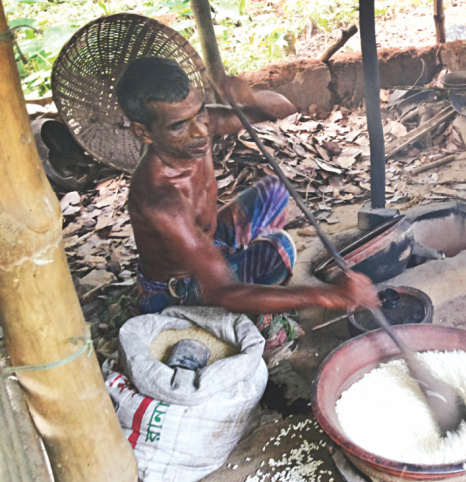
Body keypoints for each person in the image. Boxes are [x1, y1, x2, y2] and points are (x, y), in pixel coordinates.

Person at [115, 57, 378, 344]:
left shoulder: (195, 125)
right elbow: (222, 293)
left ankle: (244, 271)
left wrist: (250, 96)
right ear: (143, 132)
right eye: (179, 126)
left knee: (275, 191)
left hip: (208, 244)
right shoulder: (160, 198)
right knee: (280, 249)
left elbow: (285, 111)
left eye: (200, 113)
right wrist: (330, 296)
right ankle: (255, 301)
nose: (201, 131)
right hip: (180, 287)